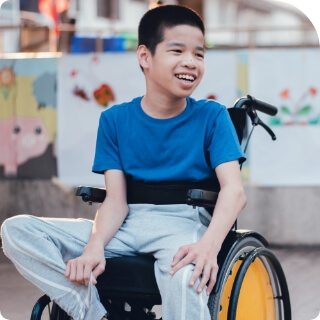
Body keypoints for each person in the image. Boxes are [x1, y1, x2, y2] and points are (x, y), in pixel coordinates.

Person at [1, 4, 246, 320]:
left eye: (199, 55)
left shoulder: (212, 117)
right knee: (17, 230)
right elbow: (116, 202)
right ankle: (94, 313)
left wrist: (209, 246)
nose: (191, 62)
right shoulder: (115, 120)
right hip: (126, 223)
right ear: (145, 56)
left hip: (183, 223)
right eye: (177, 50)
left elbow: (234, 192)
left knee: (188, 278)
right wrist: (94, 245)